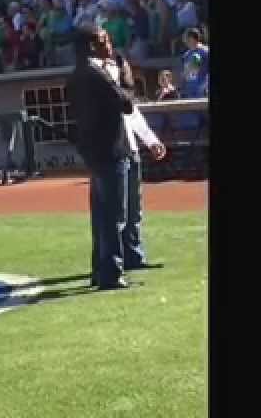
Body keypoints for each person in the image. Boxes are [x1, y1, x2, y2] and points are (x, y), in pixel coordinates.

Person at [65, 26, 137, 291]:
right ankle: (111, 273)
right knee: (114, 216)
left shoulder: (75, 76)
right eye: (104, 40)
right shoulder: (98, 74)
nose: (109, 44)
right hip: (111, 151)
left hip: (94, 153)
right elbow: (126, 103)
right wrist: (126, 75)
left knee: (100, 215)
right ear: (93, 45)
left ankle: (99, 269)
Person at [94, 34, 166, 273]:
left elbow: (132, 114)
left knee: (134, 208)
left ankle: (134, 255)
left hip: (130, 147)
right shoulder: (93, 77)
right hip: (111, 150)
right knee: (117, 212)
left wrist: (151, 141)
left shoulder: (122, 89)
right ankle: (113, 262)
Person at [179, 27, 209, 98]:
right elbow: (186, 75)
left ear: (192, 38)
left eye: (186, 38)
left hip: (203, 90)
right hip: (190, 91)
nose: (184, 40)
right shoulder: (186, 54)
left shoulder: (204, 51)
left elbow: (194, 68)